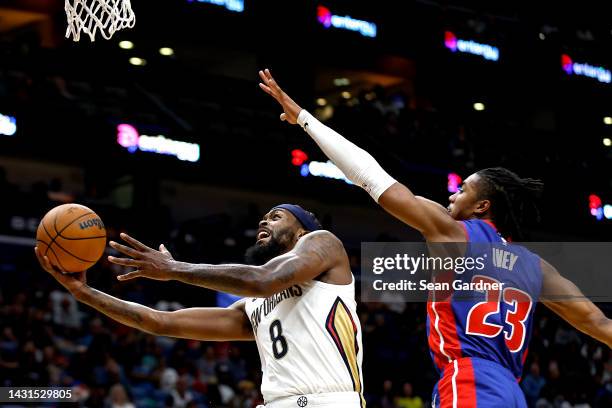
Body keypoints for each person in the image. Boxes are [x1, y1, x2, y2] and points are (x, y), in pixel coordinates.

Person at [257, 69, 612, 407]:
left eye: (463, 190)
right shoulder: (538, 267)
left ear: (482, 206)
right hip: (512, 391)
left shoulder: (453, 233)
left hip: (469, 377)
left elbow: (369, 176)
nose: (452, 196)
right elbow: (598, 324)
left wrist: (305, 119)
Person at [35, 204, 365, 408]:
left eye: (276, 217)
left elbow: (264, 279)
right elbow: (159, 323)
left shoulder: (324, 244)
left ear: (302, 231)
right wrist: (84, 293)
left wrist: (174, 269)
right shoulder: (252, 307)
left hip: (330, 401)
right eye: (262, 219)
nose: (264, 223)